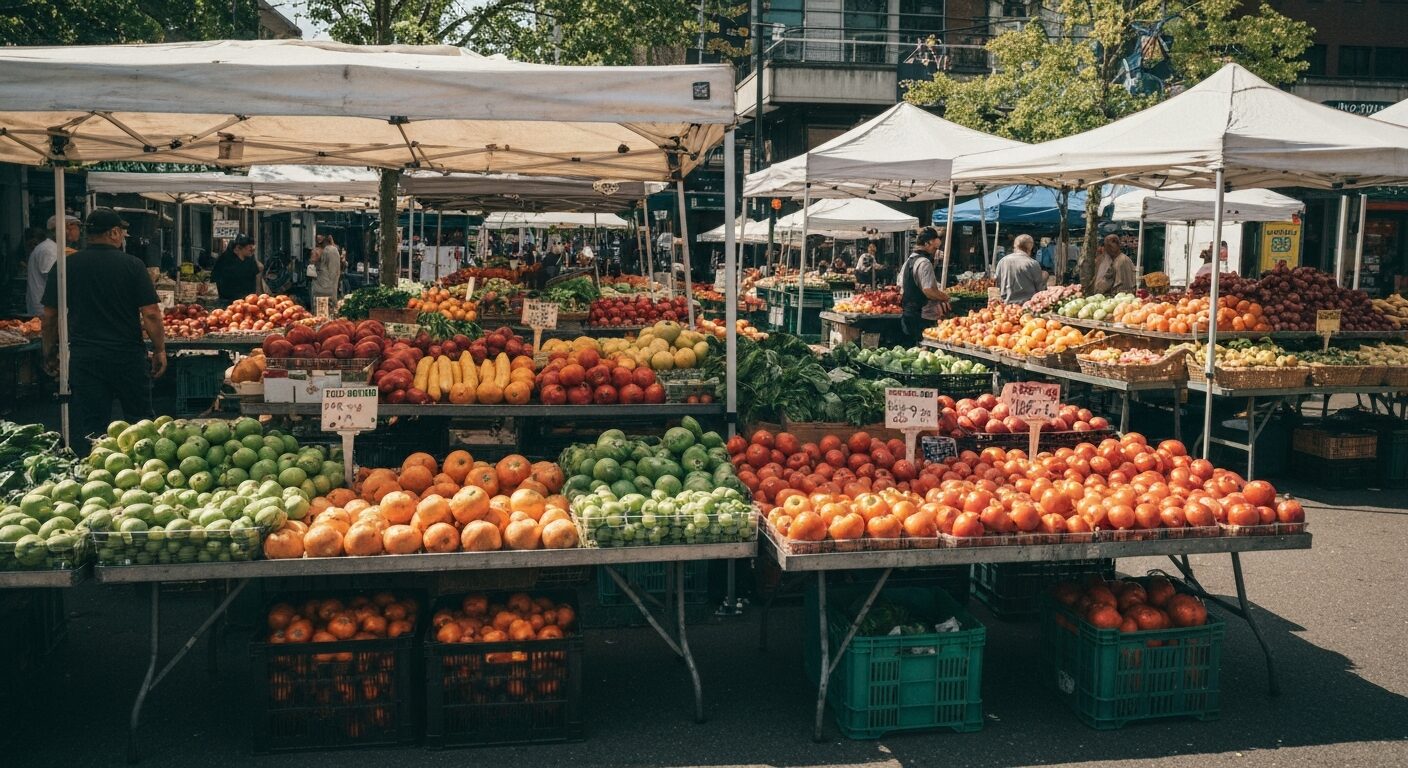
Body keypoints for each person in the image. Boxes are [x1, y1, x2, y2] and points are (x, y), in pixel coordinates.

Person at [41, 208, 165, 454]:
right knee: (139, 422)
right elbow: (150, 313)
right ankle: (142, 471)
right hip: (127, 355)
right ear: (114, 233)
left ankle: (93, 470)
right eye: (123, 233)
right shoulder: (132, 265)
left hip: (86, 357)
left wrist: (48, 351)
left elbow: (50, 316)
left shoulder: (66, 266)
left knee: (92, 424)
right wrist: (160, 350)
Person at [898, 227, 950, 345]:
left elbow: (900, 286)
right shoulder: (924, 263)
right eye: (934, 248)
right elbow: (928, 291)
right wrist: (945, 297)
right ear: (927, 243)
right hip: (921, 316)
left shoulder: (909, 261)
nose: (934, 251)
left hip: (907, 313)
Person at [27, 213, 80, 316]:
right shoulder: (49, 250)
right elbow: (55, 279)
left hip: (51, 309)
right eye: (76, 227)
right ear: (66, 229)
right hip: (46, 311)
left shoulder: (54, 248)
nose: (79, 231)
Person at [995, 234, 1047, 305]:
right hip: (1027, 306)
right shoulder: (1032, 263)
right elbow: (1039, 288)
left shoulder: (1003, 261)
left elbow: (997, 282)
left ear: (1015, 246)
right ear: (1030, 247)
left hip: (1005, 306)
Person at [211, 233, 261, 303]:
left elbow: (257, 272)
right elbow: (215, 279)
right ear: (238, 248)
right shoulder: (225, 260)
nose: (252, 248)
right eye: (249, 247)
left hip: (249, 300)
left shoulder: (249, 258)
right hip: (228, 301)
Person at [311, 233, 343, 305]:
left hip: (326, 291)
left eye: (321, 235)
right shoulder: (318, 249)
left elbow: (334, 273)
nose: (318, 237)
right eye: (318, 235)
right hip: (319, 289)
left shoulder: (331, 250)